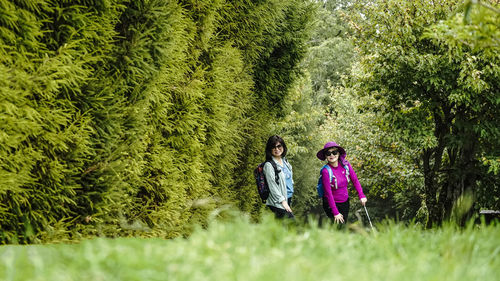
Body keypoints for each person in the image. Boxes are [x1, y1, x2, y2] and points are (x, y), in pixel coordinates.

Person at [316, 141, 367, 224]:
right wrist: (336, 213)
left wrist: (361, 195)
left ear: (339, 153)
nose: (332, 155)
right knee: (339, 227)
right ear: (325, 156)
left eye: (334, 152)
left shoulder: (346, 165)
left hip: (345, 202)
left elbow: (355, 180)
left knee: (342, 226)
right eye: (328, 153)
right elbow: (328, 194)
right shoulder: (326, 171)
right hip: (331, 203)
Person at [264, 135, 294, 219]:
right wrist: (282, 201)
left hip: (288, 197)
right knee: (292, 224)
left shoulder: (285, 161)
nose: (276, 149)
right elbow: (272, 186)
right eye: (273, 147)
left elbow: (289, 179)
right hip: (278, 201)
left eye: (279, 146)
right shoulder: (269, 165)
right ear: (270, 149)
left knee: (282, 227)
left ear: (283, 147)